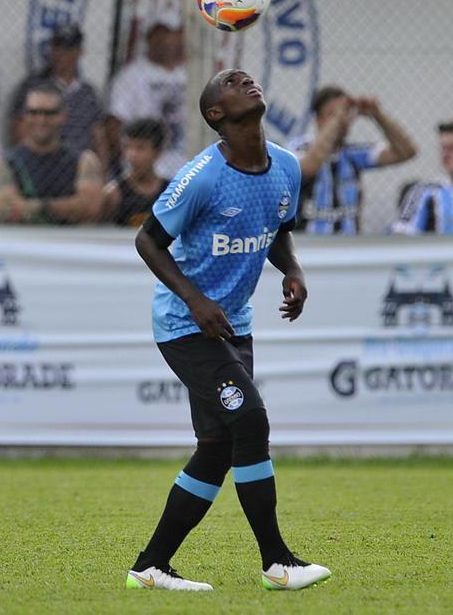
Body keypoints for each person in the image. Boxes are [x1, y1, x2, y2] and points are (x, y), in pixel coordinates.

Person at [128, 69, 330, 592]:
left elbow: (277, 228)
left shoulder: (286, 166)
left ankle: (151, 566)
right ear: (216, 114)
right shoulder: (202, 178)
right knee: (252, 419)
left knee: (217, 445)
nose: (244, 80)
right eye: (230, 83)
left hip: (233, 323)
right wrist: (194, 300)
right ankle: (277, 562)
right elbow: (147, 241)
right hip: (185, 326)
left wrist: (292, 270)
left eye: (246, 78)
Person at [292, 86, 417, 234]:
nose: (342, 119)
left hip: (349, 249)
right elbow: (309, 167)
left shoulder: (352, 153)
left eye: (346, 113)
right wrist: (337, 119)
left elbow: (406, 152)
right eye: (331, 114)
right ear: (318, 120)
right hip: (310, 247)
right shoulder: (300, 147)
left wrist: (378, 116)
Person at [0, 83, 104, 224]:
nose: (41, 120)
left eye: (49, 113)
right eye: (34, 112)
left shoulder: (84, 160)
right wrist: (67, 207)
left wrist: (31, 207)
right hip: (22, 241)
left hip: (71, 241)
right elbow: (6, 211)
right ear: (24, 116)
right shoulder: (6, 162)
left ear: (63, 116)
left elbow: (90, 207)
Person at [6, 24, 107, 162]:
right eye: (57, 47)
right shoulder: (33, 86)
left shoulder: (88, 92)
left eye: (67, 49)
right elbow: (20, 130)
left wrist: (100, 172)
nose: (60, 54)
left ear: (79, 52)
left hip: (79, 166)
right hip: (42, 164)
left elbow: (98, 136)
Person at [107, 23, 186, 177]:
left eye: (172, 34)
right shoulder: (132, 75)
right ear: (149, 39)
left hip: (188, 166)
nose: (167, 41)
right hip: (150, 171)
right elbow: (115, 123)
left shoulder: (193, 73)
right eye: (161, 34)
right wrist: (132, 161)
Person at [102, 118, 169, 227]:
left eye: (140, 148)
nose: (131, 155)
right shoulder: (114, 194)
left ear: (157, 153)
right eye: (127, 147)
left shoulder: (172, 191)